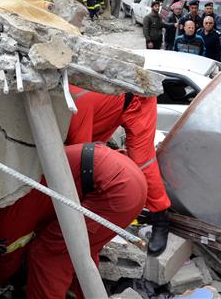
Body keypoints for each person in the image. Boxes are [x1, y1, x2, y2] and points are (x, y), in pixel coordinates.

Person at [0, 144, 147, 299]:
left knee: (48, 254)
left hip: (114, 188)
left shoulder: (8, 212)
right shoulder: (21, 178)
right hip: (126, 176)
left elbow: (7, 258)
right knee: (80, 251)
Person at [66, 85, 171, 255]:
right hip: (105, 108)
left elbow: (80, 159)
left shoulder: (75, 107)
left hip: (136, 100)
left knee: (143, 162)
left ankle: (161, 218)